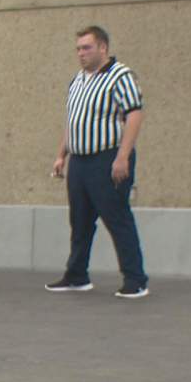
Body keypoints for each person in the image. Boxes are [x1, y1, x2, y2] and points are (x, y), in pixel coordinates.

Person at [49, 25, 147, 298]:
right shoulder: (77, 80)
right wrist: (61, 155)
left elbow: (134, 116)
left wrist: (122, 157)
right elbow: (72, 122)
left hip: (107, 158)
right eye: (78, 48)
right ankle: (77, 275)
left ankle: (136, 280)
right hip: (79, 161)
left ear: (103, 47)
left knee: (117, 218)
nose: (81, 53)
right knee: (79, 221)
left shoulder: (121, 76)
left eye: (87, 47)